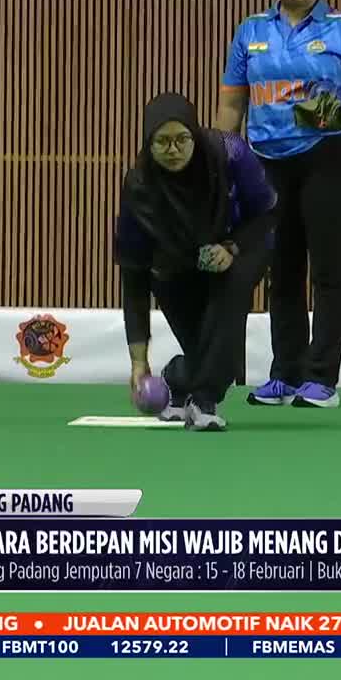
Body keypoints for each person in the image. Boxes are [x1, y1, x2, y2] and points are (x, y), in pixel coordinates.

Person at [216, 0, 341, 408]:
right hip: (266, 163)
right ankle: (285, 374)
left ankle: (321, 379)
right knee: (281, 270)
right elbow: (232, 104)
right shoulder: (250, 30)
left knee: (327, 269)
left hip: (326, 158)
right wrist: (223, 160)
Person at [114, 92, 277, 432]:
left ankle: (204, 402)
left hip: (241, 246)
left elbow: (267, 214)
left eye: (181, 139)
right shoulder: (139, 188)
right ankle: (177, 378)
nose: (173, 150)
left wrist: (231, 248)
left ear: (195, 134)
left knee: (229, 296)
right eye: (162, 141)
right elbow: (134, 276)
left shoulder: (230, 153)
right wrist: (139, 363)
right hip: (175, 266)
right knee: (213, 354)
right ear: (148, 143)